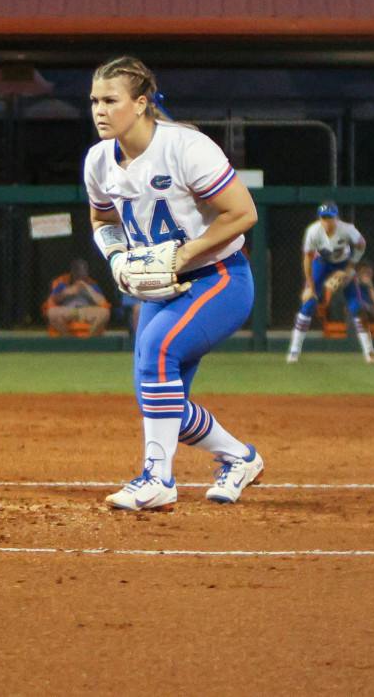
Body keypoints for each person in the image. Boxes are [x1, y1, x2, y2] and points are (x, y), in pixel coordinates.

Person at [85, 56, 263, 511]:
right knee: (160, 397)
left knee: (159, 355)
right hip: (159, 289)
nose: (99, 110)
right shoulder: (99, 160)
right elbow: (102, 218)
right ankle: (239, 458)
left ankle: (157, 478)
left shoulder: (185, 147)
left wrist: (183, 254)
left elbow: (243, 214)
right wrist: (115, 257)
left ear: (141, 103)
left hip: (219, 278)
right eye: (94, 101)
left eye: (111, 100)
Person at [288, 201, 374, 364]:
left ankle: (369, 352)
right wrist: (310, 287)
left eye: (330, 218)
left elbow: (361, 245)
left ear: (337, 218)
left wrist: (349, 269)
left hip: (343, 263)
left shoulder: (347, 229)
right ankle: (294, 350)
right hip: (322, 263)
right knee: (308, 303)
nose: (327, 221)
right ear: (320, 218)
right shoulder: (313, 231)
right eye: (324, 218)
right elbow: (307, 259)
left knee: (356, 306)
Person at [45, 259, 111, 335]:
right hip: (68, 310)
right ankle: (68, 339)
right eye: (77, 272)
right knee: (51, 313)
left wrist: (88, 289)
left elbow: (102, 302)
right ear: (72, 272)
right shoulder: (62, 283)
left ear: (86, 273)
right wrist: (66, 292)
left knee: (105, 313)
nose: (79, 276)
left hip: (86, 311)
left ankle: (89, 340)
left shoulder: (92, 284)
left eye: (82, 273)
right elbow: (53, 300)